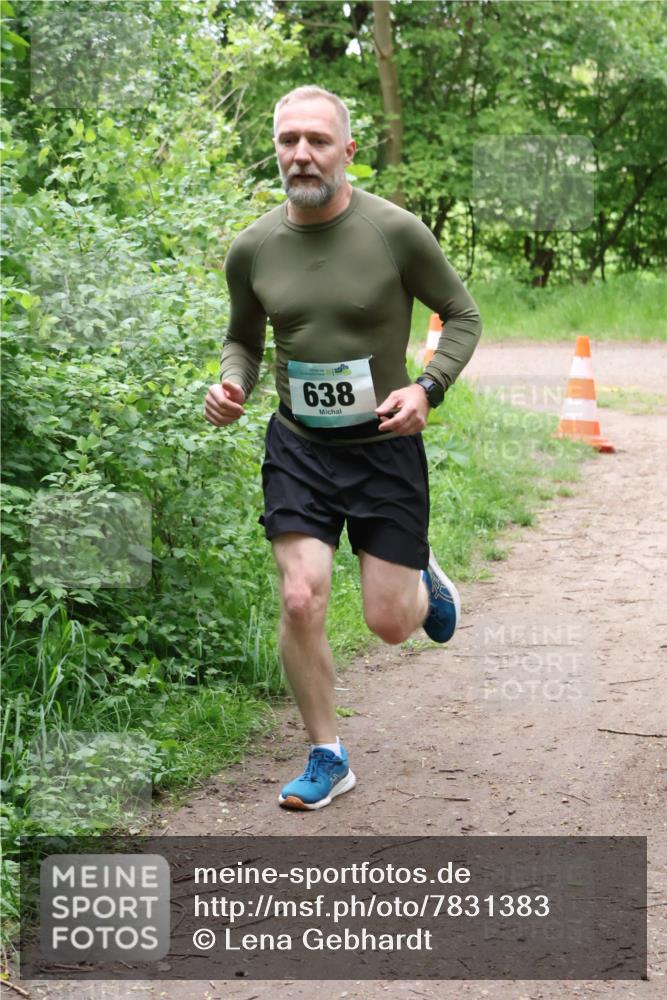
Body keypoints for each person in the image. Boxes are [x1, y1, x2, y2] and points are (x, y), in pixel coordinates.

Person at [204, 85, 482, 811]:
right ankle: (327, 753)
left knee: (390, 624)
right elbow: (242, 338)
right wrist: (232, 384)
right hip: (298, 445)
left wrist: (427, 388)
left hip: (384, 446)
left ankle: (421, 575)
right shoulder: (254, 247)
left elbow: (461, 315)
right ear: (275, 149)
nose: (301, 153)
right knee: (300, 597)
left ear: (346, 151)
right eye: (288, 139)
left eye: (317, 140)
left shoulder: (395, 232)